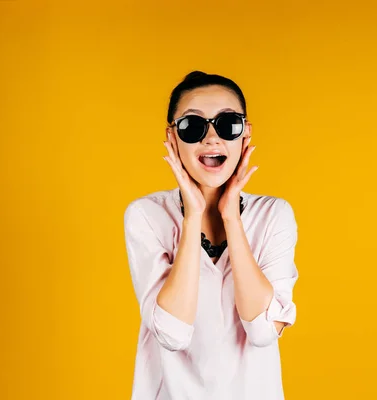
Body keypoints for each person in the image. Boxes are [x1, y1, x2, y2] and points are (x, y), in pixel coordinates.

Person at [123, 71, 299, 400]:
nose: (212, 139)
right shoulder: (147, 216)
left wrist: (231, 217)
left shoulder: (273, 216)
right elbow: (172, 334)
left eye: (227, 123)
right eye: (193, 126)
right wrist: (193, 217)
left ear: (245, 133)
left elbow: (262, 331)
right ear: (172, 137)